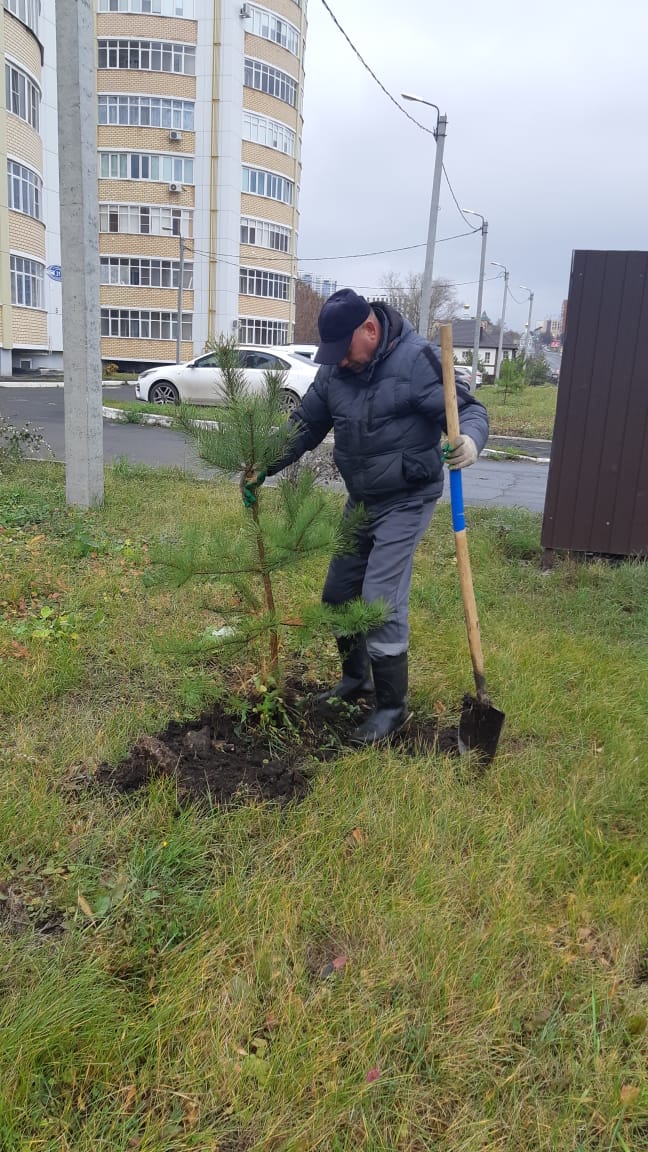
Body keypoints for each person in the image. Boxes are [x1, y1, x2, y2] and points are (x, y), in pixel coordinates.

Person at [241, 288, 489, 745]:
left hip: (408, 496)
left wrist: (470, 441)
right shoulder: (336, 370)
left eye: (345, 352)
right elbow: (306, 426)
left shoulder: (417, 362)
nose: (340, 362)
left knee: (379, 598)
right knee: (338, 594)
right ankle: (357, 679)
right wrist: (263, 464)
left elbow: (469, 411)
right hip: (362, 499)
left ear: (370, 330)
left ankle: (391, 706)